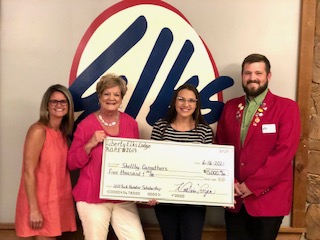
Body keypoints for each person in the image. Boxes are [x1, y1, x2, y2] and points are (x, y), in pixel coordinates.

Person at [216, 53, 301, 240]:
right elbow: (220, 147)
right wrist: (231, 181)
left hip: (268, 200)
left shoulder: (287, 108)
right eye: (247, 73)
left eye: (258, 73)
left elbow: (285, 153)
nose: (252, 78)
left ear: (268, 76)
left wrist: (252, 185)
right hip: (235, 197)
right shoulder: (230, 107)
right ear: (242, 76)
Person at [67, 73, 145, 240]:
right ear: (99, 96)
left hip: (122, 197)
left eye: (116, 94)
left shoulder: (131, 124)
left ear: (121, 98)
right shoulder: (86, 125)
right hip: (92, 197)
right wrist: (89, 144)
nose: (111, 98)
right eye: (107, 94)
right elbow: (72, 163)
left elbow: (137, 163)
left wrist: (147, 191)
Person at [150, 83, 213, 240]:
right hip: (164, 201)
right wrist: (150, 191)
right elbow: (152, 164)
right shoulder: (160, 127)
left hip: (194, 201)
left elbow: (208, 168)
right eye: (181, 99)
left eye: (191, 100)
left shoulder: (204, 131)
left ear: (197, 104)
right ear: (174, 102)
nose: (186, 104)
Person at [15, 84, 77, 239]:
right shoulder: (38, 130)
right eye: (53, 101)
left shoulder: (62, 133)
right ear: (46, 106)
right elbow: (28, 172)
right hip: (39, 201)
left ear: (69, 106)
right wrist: (34, 209)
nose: (59, 105)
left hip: (57, 199)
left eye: (63, 102)